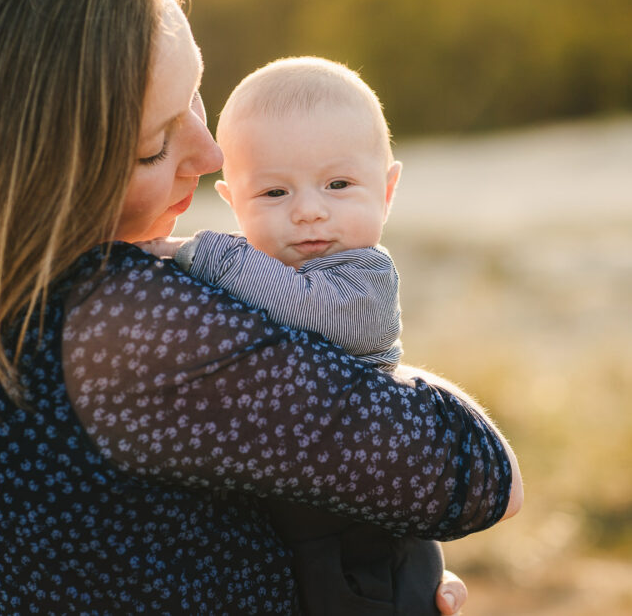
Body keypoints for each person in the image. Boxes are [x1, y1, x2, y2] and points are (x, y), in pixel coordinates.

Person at [0, 0, 522, 614]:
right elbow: (482, 474)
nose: (212, 152)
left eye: (196, 93)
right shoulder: (125, 324)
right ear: (41, 177)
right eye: (153, 146)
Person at [138, 55, 450, 615]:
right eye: (274, 194)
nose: (308, 211)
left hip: (364, 537)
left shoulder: (362, 275)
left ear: (387, 190)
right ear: (235, 204)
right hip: (292, 529)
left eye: (337, 184)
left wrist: (205, 253)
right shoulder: (253, 273)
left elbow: (322, 314)